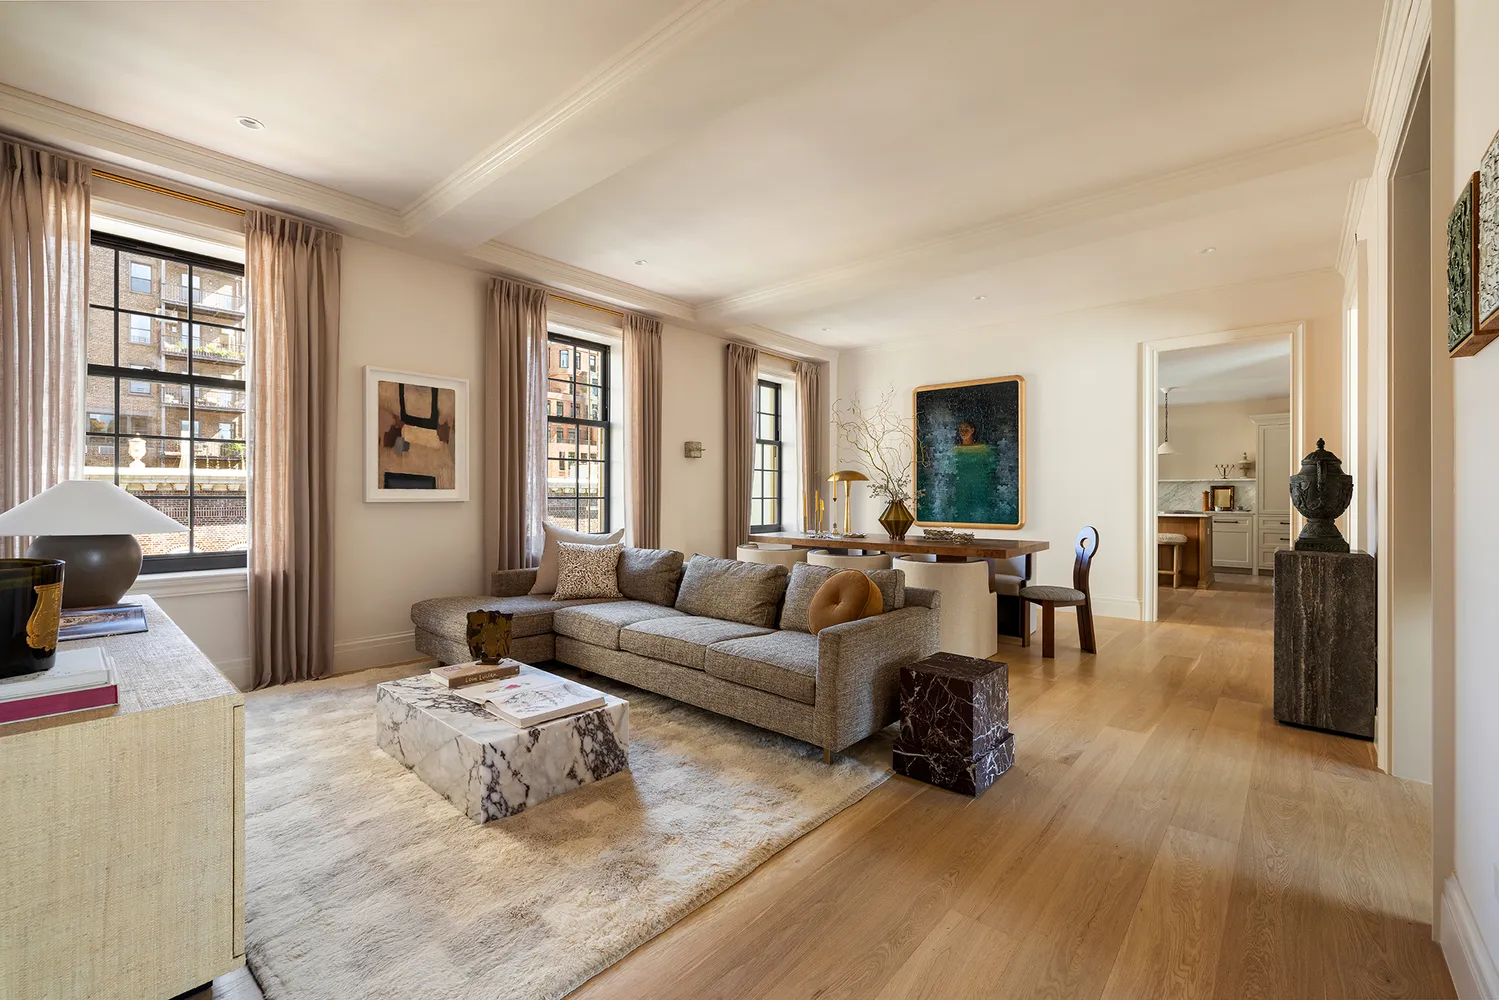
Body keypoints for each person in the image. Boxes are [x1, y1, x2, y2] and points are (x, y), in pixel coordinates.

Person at [948, 418, 999, 523]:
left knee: (981, 510)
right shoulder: (955, 450)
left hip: (980, 484)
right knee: (961, 510)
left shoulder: (982, 448)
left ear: (972, 430)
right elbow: (948, 468)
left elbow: (993, 465)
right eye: (960, 429)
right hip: (962, 485)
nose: (963, 432)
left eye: (966, 429)